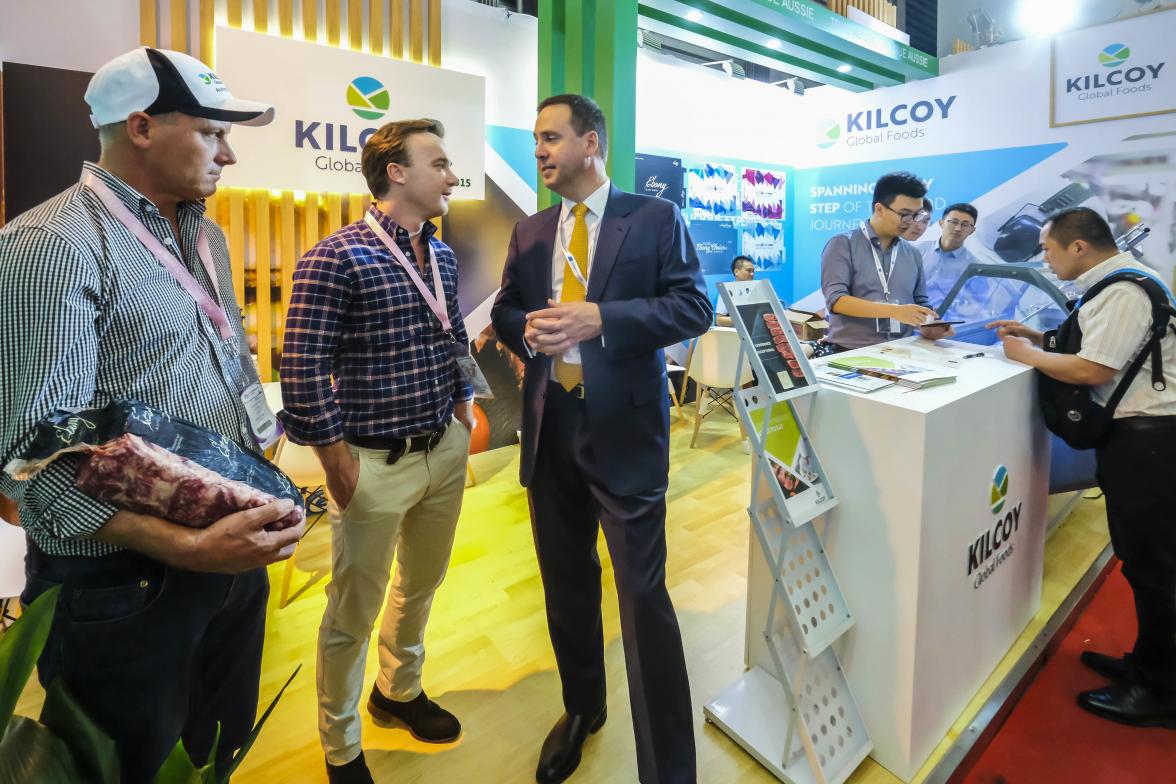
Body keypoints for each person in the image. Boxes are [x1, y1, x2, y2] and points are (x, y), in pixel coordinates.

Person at [0, 47, 304, 784]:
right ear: (140, 127)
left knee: (213, 754)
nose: (229, 154)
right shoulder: (51, 246)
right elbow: (31, 459)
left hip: (228, 555)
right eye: (210, 132)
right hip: (124, 584)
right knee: (134, 766)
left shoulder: (208, 236)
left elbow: (227, 361)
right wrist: (189, 551)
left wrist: (263, 480)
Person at [491, 94, 711, 784]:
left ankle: (668, 770)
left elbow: (694, 307)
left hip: (625, 432)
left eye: (551, 138)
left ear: (591, 142)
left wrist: (600, 318)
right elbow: (503, 308)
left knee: (643, 597)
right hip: (551, 425)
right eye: (534, 141)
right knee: (566, 587)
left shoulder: (654, 219)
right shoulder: (530, 232)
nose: (540, 152)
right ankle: (583, 707)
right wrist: (523, 327)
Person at [279, 119, 474, 784]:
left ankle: (398, 691)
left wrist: (463, 413)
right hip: (369, 463)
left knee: (420, 586)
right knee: (351, 612)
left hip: (442, 451)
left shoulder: (441, 256)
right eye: (440, 163)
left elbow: (452, 340)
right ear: (396, 172)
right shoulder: (337, 257)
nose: (453, 176)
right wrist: (336, 462)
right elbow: (301, 367)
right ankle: (340, 746)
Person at [990, 207, 1176, 727]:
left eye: (1049, 249)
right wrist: (1035, 335)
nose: (1045, 259)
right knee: (1142, 560)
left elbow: (1094, 367)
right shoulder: (1123, 282)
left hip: (1150, 443)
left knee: (1155, 566)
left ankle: (1160, 691)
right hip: (1143, 441)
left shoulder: (1122, 290)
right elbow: (1100, 345)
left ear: (1078, 247)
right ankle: (1147, 664)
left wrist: (1023, 354)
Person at [820, 171, 954, 351]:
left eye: (917, 215)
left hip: (902, 352)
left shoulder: (912, 254)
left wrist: (930, 325)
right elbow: (837, 301)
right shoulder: (843, 244)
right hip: (850, 352)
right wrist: (895, 311)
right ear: (880, 209)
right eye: (905, 214)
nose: (912, 222)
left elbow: (921, 301)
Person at [920, 202, 981, 308]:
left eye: (965, 224)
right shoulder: (916, 250)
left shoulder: (975, 268)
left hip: (940, 320)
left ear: (972, 230)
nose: (958, 228)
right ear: (941, 223)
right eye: (953, 222)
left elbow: (974, 304)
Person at [715, 254, 756, 326]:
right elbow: (719, 320)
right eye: (749, 271)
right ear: (736, 271)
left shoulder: (757, 289)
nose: (752, 274)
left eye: (753, 271)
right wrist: (744, 319)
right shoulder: (727, 290)